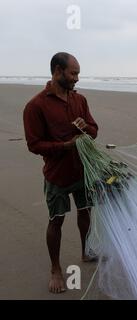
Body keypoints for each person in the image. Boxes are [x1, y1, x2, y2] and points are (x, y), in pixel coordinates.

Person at [23, 52, 99, 294]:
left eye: (77, 73)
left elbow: (94, 131)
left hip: (82, 171)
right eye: (73, 73)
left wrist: (85, 127)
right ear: (57, 71)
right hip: (57, 175)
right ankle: (55, 269)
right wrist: (64, 147)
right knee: (56, 220)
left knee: (85, 211)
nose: (77, 78)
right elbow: (34, 145)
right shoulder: (35, 106)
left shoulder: (80, 100)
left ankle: (86, 251)